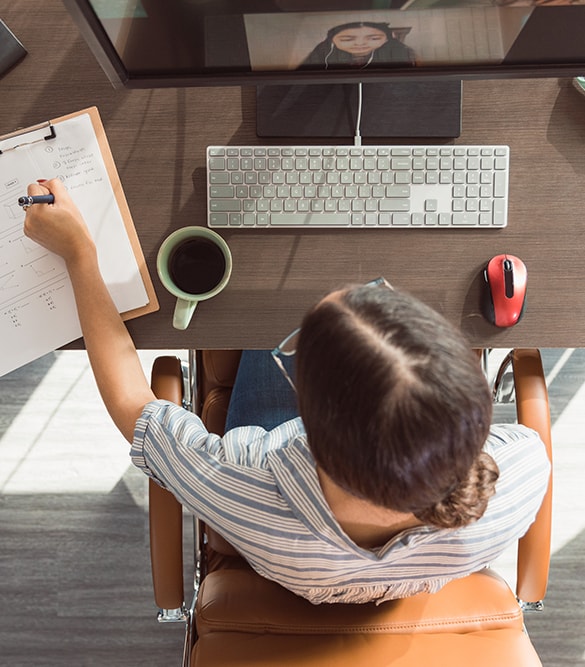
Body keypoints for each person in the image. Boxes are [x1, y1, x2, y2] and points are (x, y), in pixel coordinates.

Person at [23, 178, 550, 605]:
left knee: (262, 307)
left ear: (309, 419)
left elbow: (132, 405)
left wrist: (79, 254)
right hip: (364, 561)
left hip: (289, 549)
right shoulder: (524, 474)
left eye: (297, 356)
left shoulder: (243, 480)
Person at [299, 21, 415, 70]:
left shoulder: (402, 52)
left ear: (386, 40)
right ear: (332, 41)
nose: (360, 43)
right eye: (347, 39)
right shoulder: (321, 54)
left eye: (374, 38)